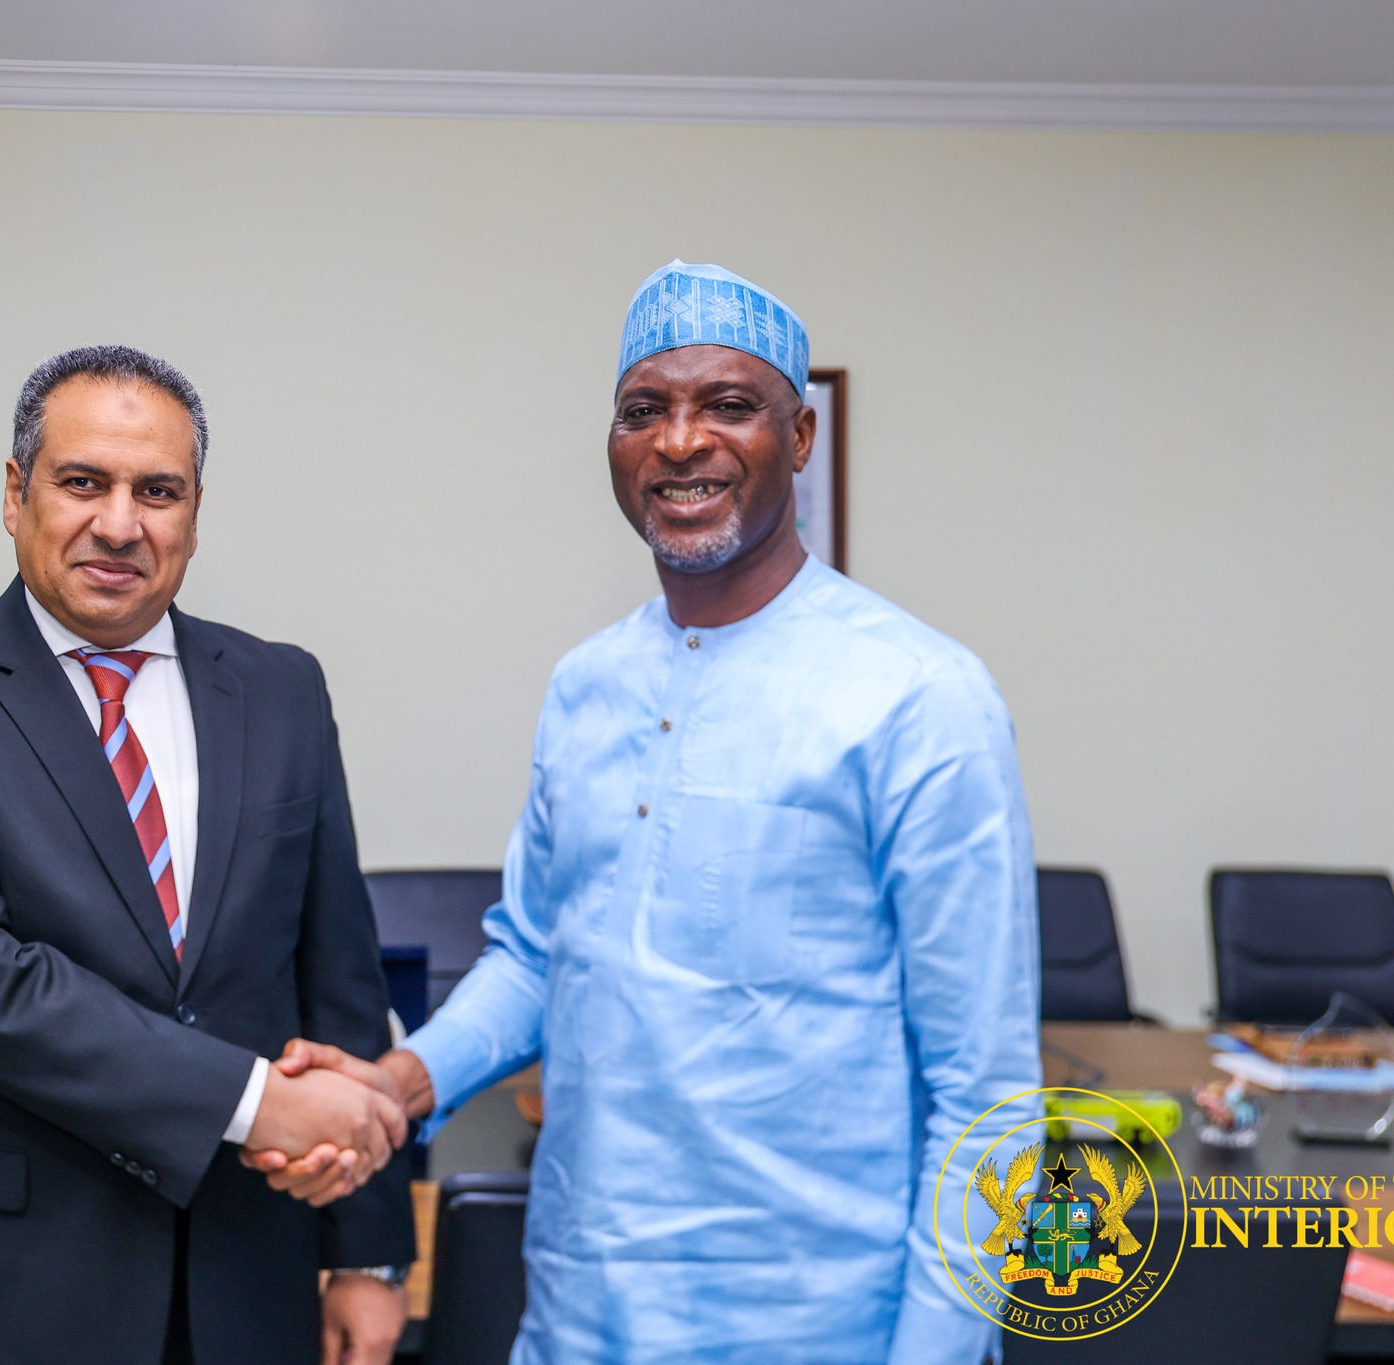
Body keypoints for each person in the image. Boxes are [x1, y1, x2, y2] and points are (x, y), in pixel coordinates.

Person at [251, 263, 1043, 1362]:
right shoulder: (587, 684)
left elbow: (986, 1096)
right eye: (642, 410)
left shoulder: (919, 697)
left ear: (799, 436)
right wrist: (400, 1083)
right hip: (578, 1316)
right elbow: (539, 955)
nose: (679, 441)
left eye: (728, 404)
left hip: (816, 1329)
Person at [0, 345, 414, 1365]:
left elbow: (338, 978)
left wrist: (368, 1254)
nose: (118, 524)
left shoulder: (281, 688)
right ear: (15, 494)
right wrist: (257, 1103)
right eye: (81, 482)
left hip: (246, 1279)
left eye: (157, 491)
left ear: (194, 511)